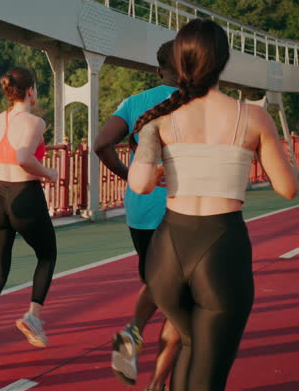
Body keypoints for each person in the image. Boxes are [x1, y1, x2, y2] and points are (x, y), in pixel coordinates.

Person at [128, 19, 298, 391]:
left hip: (167, 253)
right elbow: (287, 188)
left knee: (189, 350)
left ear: (179, 62)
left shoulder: (160, 119)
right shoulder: (253, 117)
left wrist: (163, 167)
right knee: (207, 377)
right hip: (221, 251)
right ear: (223, 61)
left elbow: (140, 184)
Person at [94, 41, 181, 390]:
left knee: (158, 282)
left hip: (141, 207)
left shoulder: (133, 103)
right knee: (181, 299)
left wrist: (128, 175)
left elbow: (101, 144)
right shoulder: (197, 102)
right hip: (181, 207)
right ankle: (158, 382)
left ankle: (132, 332)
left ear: (160, 70)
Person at [0, 67, 58, 371]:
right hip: (25, 196)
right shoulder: (35, 121)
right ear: (30, 91)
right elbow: (24, 158)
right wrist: (49, 173)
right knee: (47, 255)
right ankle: (33, 317)